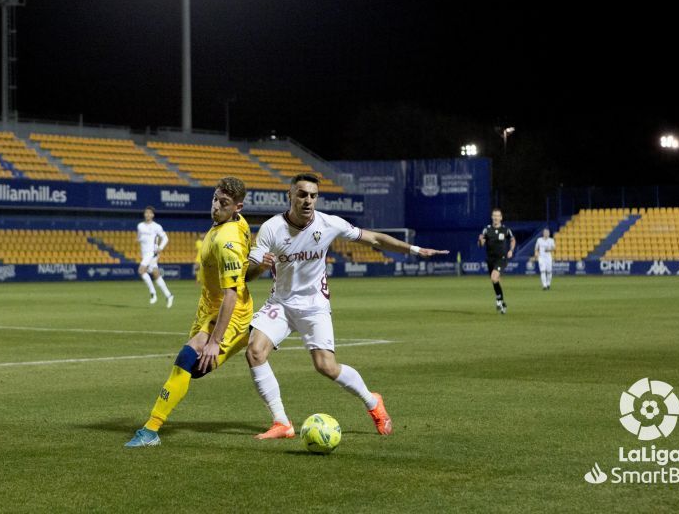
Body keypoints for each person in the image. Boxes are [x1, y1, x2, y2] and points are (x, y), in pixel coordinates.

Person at [244, 173, 448, 439]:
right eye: (302, 194)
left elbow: (374, 239)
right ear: (290, 195)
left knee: (326, 366)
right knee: (255, 352)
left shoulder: (329, 223)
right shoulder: (271, 228)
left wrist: (415, 250)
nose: (308, 201)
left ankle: (373, 402)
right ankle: (282, 422)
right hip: (281, 303)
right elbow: (248, 275)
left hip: (314, 305)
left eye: (313, 196)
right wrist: (261, 265)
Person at [125, 178, 253, 448]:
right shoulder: (235, 223)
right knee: (192, 366)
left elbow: (231, 293)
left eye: (224, 203)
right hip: (208, 309)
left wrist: (215, 340)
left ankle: (151, 429)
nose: (216, 206)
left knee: (188, 359)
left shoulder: (227, 240)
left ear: (237, 206)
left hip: (229, 312)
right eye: (215, 199)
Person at [478, 208, 516, 314]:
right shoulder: (487, 229)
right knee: (495, 280)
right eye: (494, 215)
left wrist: (511, 250)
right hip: (490, 259)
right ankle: (502, 303)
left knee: (494, 277)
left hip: (501, 259)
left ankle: (499, 300)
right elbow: (481, 244)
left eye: (497, 215)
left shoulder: (505, 230)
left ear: (501, 217)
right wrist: (480, 241)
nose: (495, 217)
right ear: (492, 217)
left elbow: (512, 240)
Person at [137, 206, 174, 308]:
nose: (148, 214)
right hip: (145, 253)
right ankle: (169, 295)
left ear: (153, 215)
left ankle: (153, 293)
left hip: (152, 253)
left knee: (141, 270)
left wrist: (160, 247)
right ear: (144, 214)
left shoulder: (156, 226)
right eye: (146, 213)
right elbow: (139, 240)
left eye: (150, 213)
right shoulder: (140, 226)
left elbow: (165, 238)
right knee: (156, 275)